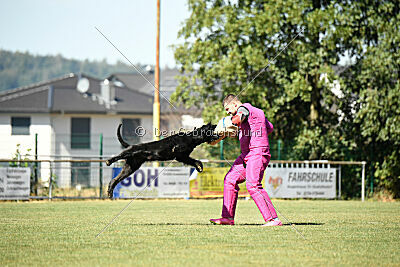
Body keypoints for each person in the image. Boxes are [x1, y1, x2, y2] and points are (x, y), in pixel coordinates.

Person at [210, 94, 282, 226]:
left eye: (227, 109)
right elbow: (269, 128)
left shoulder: (244, 108)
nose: (227, 112)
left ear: (235, 104)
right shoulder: (259, 113)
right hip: (247, 155)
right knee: (230, 179)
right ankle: (227, 218)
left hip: (257, 153)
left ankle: (273, 219)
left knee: (253, 185)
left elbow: (241, 116)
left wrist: (229, 123)